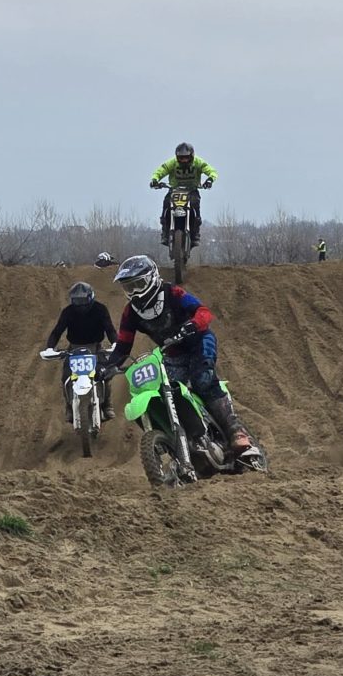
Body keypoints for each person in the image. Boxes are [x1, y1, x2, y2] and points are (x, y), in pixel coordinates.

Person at [106, 255, 258, 462]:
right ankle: (187, 442)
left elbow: (203, 312)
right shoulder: (130, 313)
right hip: (172, 353)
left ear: (152, 279)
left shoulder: (172, 293)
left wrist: (193, 324)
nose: (134, 292)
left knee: (202, 380)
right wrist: (107, 367)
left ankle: (236, 431)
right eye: (128, 287)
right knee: (166, 391)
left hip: (199, 341)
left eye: (138, 285)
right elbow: (123, 344)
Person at [42, 282, 118, 421]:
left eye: (83, 300)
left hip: (95, 348)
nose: (81, 304)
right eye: (77, 301)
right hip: (74, 349)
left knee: (105, 374)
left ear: (91, 297)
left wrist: (115, 344)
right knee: (66, 376)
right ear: (72, 300)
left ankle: (107, 405)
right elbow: (57, 331)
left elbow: (110, 328)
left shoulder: (100, 309)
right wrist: (50, 348)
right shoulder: (68, 312)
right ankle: (69, 407)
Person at [150, 143, 217, 247]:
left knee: (195, 205)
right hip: (174, 190)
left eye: (186, 158)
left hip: (192, 190)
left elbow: (211, 171)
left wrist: (210, 179)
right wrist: (155, 179)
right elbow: (161, 170)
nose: (184, 160)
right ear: (177, 157)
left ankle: (195, 234)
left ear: (192, 156)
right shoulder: (172, 163)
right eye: (181, 158)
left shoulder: (198, 162)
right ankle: (165, 232)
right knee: (166, 204)